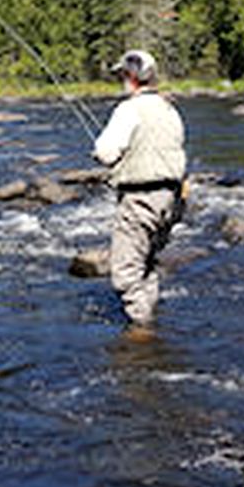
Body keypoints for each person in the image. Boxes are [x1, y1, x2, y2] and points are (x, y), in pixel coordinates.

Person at [91, 49, 187, 335]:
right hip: (171, 200)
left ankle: (143, 333)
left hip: (140, 199)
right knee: (146, 263)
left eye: (122, 74)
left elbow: (106, 152)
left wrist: (100, 154)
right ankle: (149, 316)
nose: (121, 79)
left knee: (125, 273)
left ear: (131, 77)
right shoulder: (170, 108)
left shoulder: (128, 109)